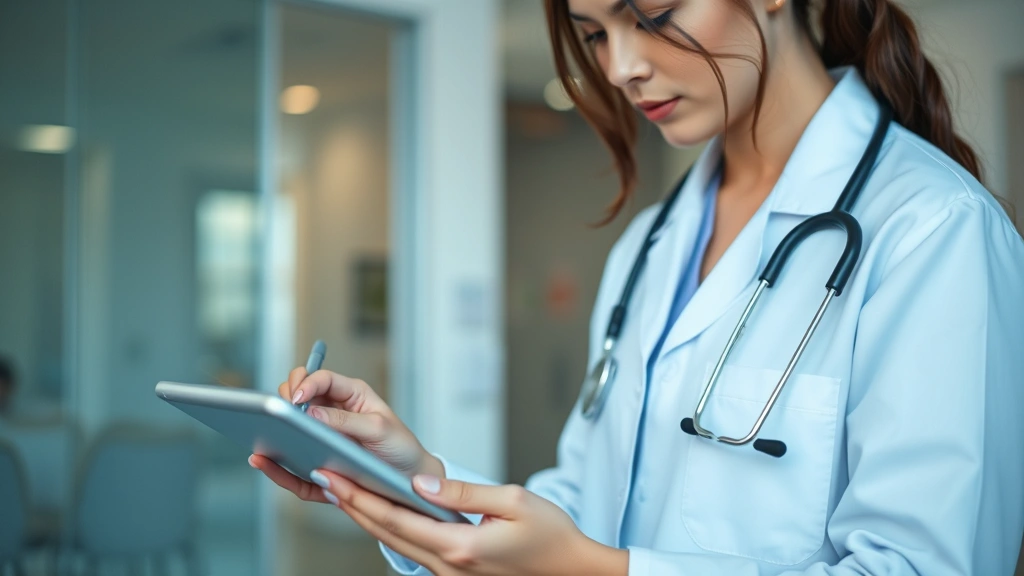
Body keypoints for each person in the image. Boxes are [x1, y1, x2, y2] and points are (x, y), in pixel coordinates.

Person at [252, 0, 1024, 573]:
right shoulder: (648, 248)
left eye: (651, 15)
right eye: (594, 34)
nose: (621, 66)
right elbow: (590, 501)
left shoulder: (935, 230)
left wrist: (598, 572)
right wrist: (415, 477)